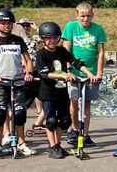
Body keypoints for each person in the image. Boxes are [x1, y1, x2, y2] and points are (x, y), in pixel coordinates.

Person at [0, 7, 36, 158]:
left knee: (19, 112)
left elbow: (27, 59)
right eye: (3, 23)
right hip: (0, 83)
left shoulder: (17, 40)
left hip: (17, 81)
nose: (6, 26)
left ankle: (21, 144)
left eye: (9, 23)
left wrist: (29, 73)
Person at [35, 21, 83, 159]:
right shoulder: (41, 54)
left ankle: (57, 144)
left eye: (55, 38)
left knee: (65, 121)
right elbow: (44, 73)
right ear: (43, 39)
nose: (52, 41)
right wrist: (63, 75)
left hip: (62, 92)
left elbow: (75, 63)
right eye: (48, 38)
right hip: (48, 93)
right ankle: (52, 146)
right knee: (51, 120)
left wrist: (91, 75)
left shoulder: (62, 51)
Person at [61, 3, 105, 146]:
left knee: (87, 103)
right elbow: (65, 51)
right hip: (74, 71)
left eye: (88, 16)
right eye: (82, 16)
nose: (85, 19)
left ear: (92, 16)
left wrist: (99, 72)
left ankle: (85, 133)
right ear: (77, 16)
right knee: (74, 100)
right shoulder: (71, 27)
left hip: (91, 72)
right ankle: (74, 129)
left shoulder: (98, 29)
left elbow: (100, 52)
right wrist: (67, 70)